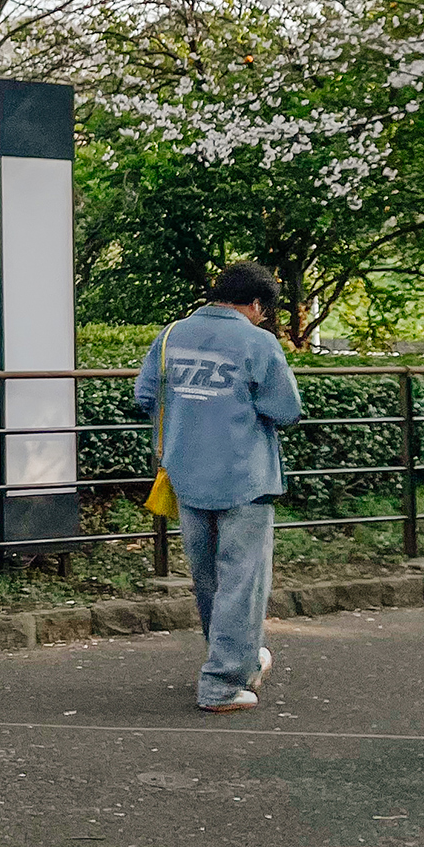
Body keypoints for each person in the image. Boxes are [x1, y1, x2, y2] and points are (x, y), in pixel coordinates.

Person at [136, 261, 303, 713]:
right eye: (263, 311)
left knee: (209, 580)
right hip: (244, 478)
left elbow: (145, 395)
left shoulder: (172, 335)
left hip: (186, 474)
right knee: (243, 582)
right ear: (254, 305)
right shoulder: (258, 342)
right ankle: (221, 683)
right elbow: (286, 408)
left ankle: (237, 660)